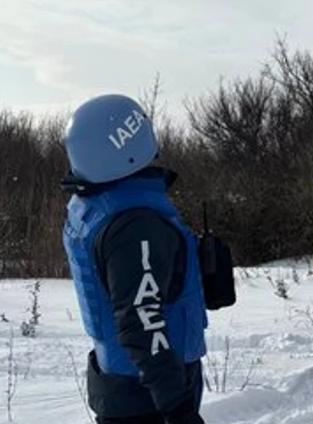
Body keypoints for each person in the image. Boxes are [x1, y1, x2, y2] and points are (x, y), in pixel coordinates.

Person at [61, 94, 207, 424]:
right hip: (148, 396)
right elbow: (142, 319)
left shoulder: (94, 206)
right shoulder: (135, 225)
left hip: (125, 384)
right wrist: (178, 407)